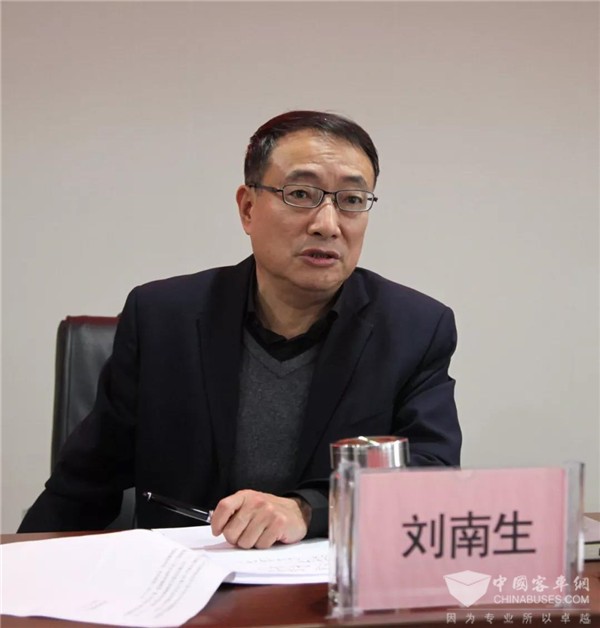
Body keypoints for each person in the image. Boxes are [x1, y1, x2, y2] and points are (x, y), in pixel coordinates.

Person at [19, 110, 461, 548]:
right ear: (248, 209)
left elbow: (431, 478)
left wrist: (308, 509)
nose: (327, 225)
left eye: (351, 200)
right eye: (300, 194)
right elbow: (82, 486)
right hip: (183, 576)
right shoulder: (162, 318)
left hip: (328, 583)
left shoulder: (415, 328)